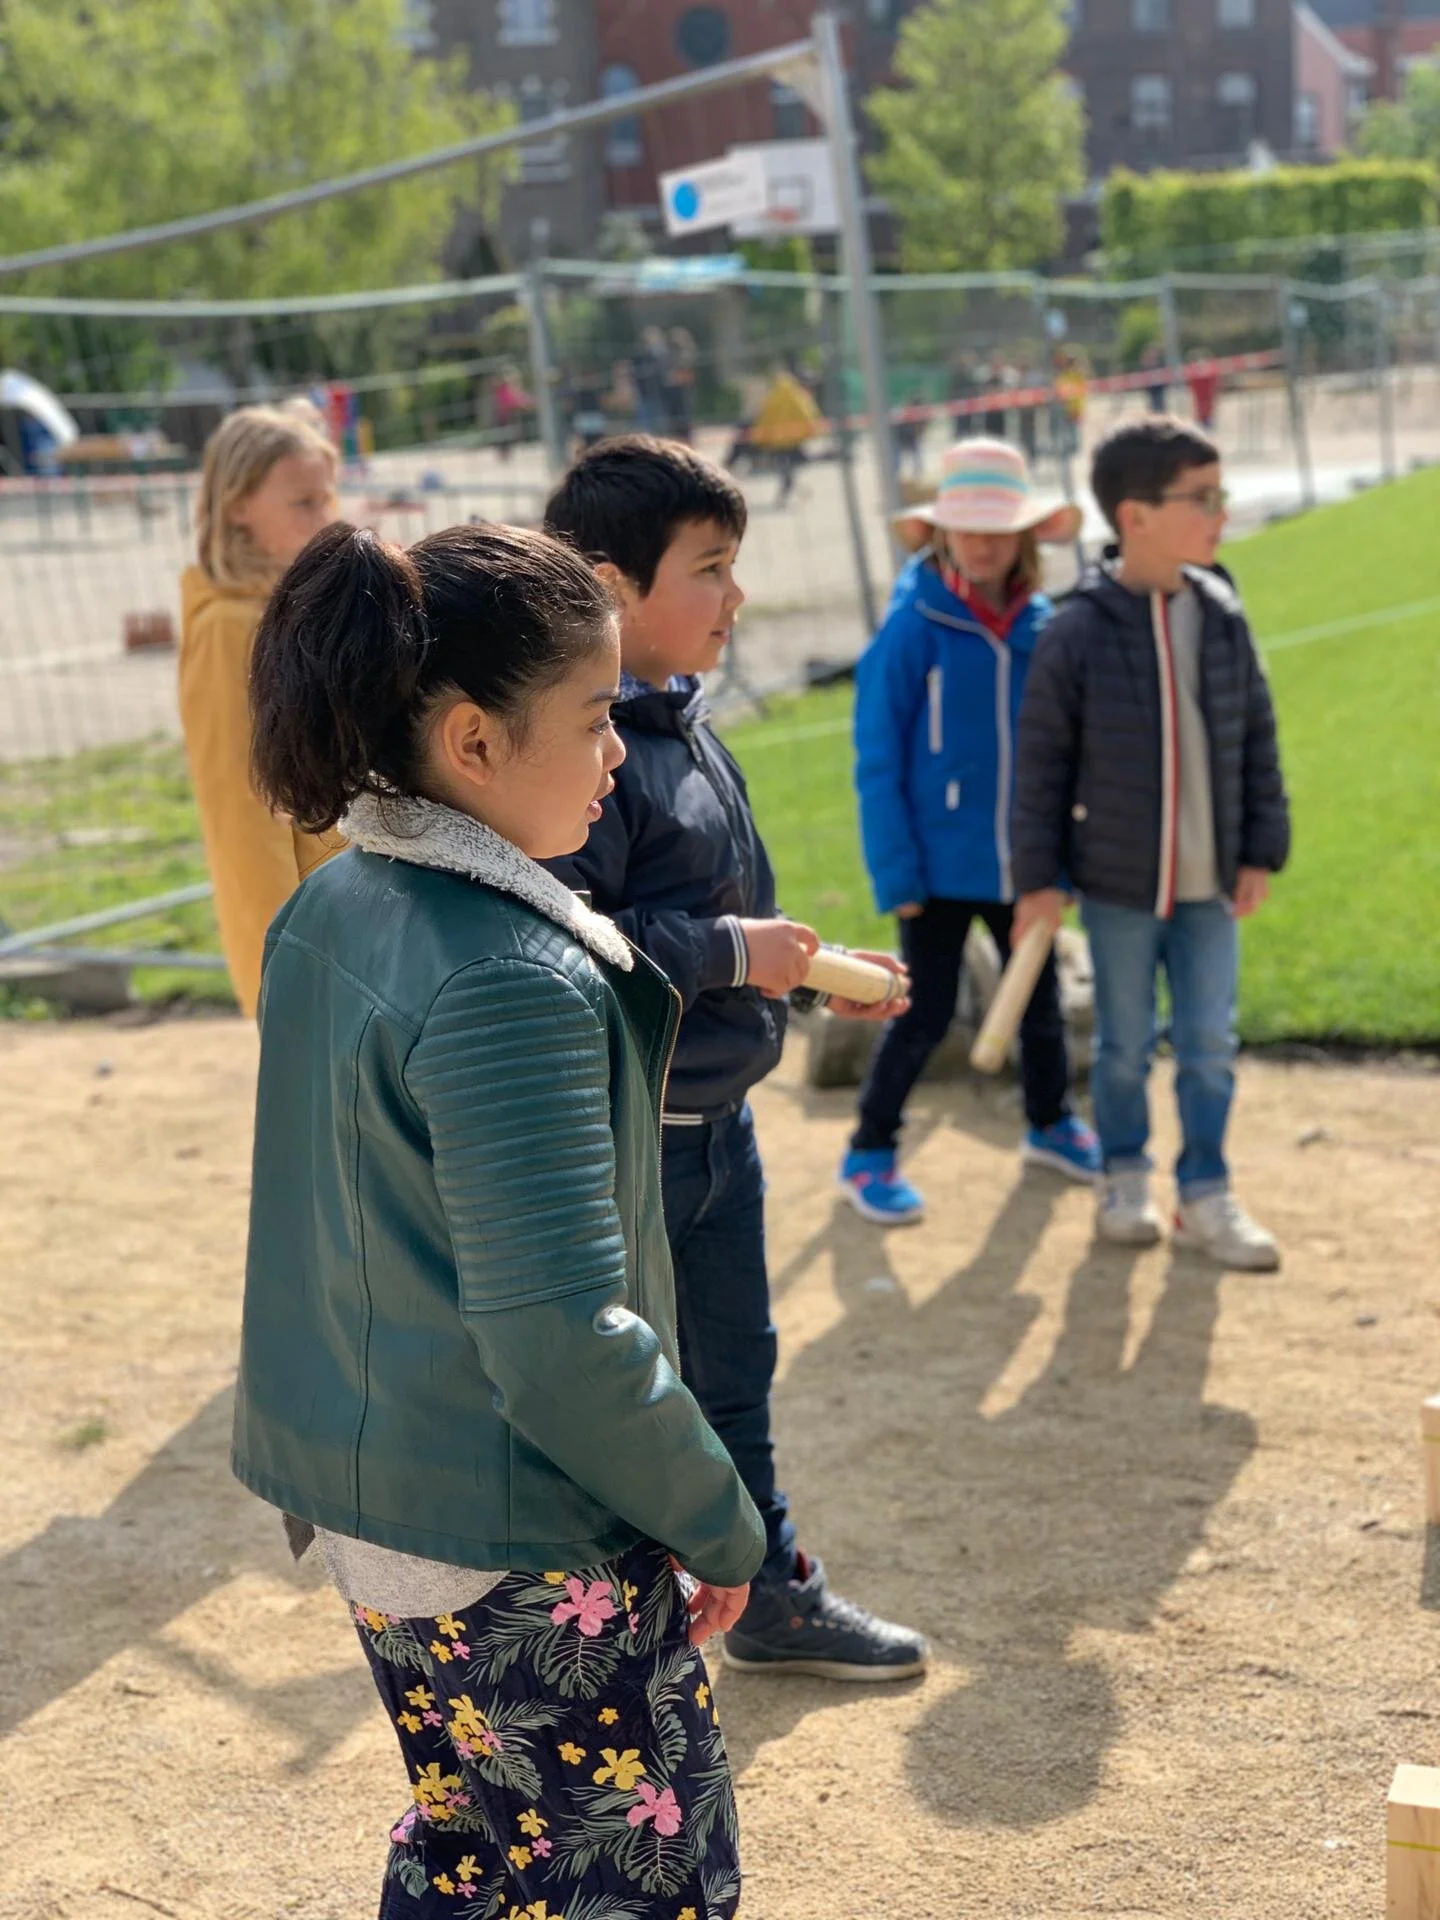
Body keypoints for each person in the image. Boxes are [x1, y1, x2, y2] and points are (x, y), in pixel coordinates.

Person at [235, 519, 765, 1918]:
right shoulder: (511, 976)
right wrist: (718, 1518)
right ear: (472, 741)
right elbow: (556, 1336)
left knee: (473, 1854)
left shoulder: (337, 903)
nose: (616, 752)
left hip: (380, 1506)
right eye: (593, 717)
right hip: (515, 1534)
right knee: (641, 1886)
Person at [543, 435, 929, 1682]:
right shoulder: (584, 759)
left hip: (722, 1129)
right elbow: (573, 943)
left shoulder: (683, 721)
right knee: (639, 1395)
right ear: (610, 588)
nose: (736, 594)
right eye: (709, 567)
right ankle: (617, 1632)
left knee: (739, 1373)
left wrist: (802, 971)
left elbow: (715, 922)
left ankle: (766, 1592)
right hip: (635, 1149)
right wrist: (731, 952)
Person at [1011, 416, 1290, 1269]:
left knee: (1209, 1047)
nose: (1220, 513)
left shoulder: (1222, 613)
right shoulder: (1076, 631)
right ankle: (1124, 1174)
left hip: (1212, 887)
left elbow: (1257, 736)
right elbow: (1040, 766)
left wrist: (1260, 849)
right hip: (1119, 887)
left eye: (1219, 494)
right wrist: (1038, 879)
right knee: (1125, 1047)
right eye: (1201, 499)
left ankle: (1205, 1191)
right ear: (1134, 515)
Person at [840, 439, 1102, 1224]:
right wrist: (897, 874)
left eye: (999, 528)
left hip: (1026, 864)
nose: (983, 544)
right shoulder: (910, 628)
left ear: (1024, 535)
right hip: (935, 868)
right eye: (968, 527)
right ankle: (869, 1150)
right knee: (923, 1012)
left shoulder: (1046, 628)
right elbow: (877, 760)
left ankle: (1050, 1124)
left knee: (1039, 1004)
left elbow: (1069, 757)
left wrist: (1060, 863)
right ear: (941, 532)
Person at [177, 403, 344, 1018]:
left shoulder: (298, 607)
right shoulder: (230, 628)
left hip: (358, 917)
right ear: (237, 506)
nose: (326, 519)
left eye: (327, 498)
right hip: (315, 944)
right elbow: (241, 816)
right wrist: (284, 971)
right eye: (303, 502)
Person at [748, 365, 822, 506]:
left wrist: (759, 438)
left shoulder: (773, 396)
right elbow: (806, 413)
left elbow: (764, 417)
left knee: (786, 468)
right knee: (794, 465)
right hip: (793, 440)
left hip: (776, 442)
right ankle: (789, 490)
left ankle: (790, 488)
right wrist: (814, 429)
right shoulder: (796, 395)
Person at [1185, 352, 1221, 432]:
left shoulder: (1210, 374)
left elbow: (1215, 378)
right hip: (1200, 409)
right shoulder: (1194, 375)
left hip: (1208, 408)